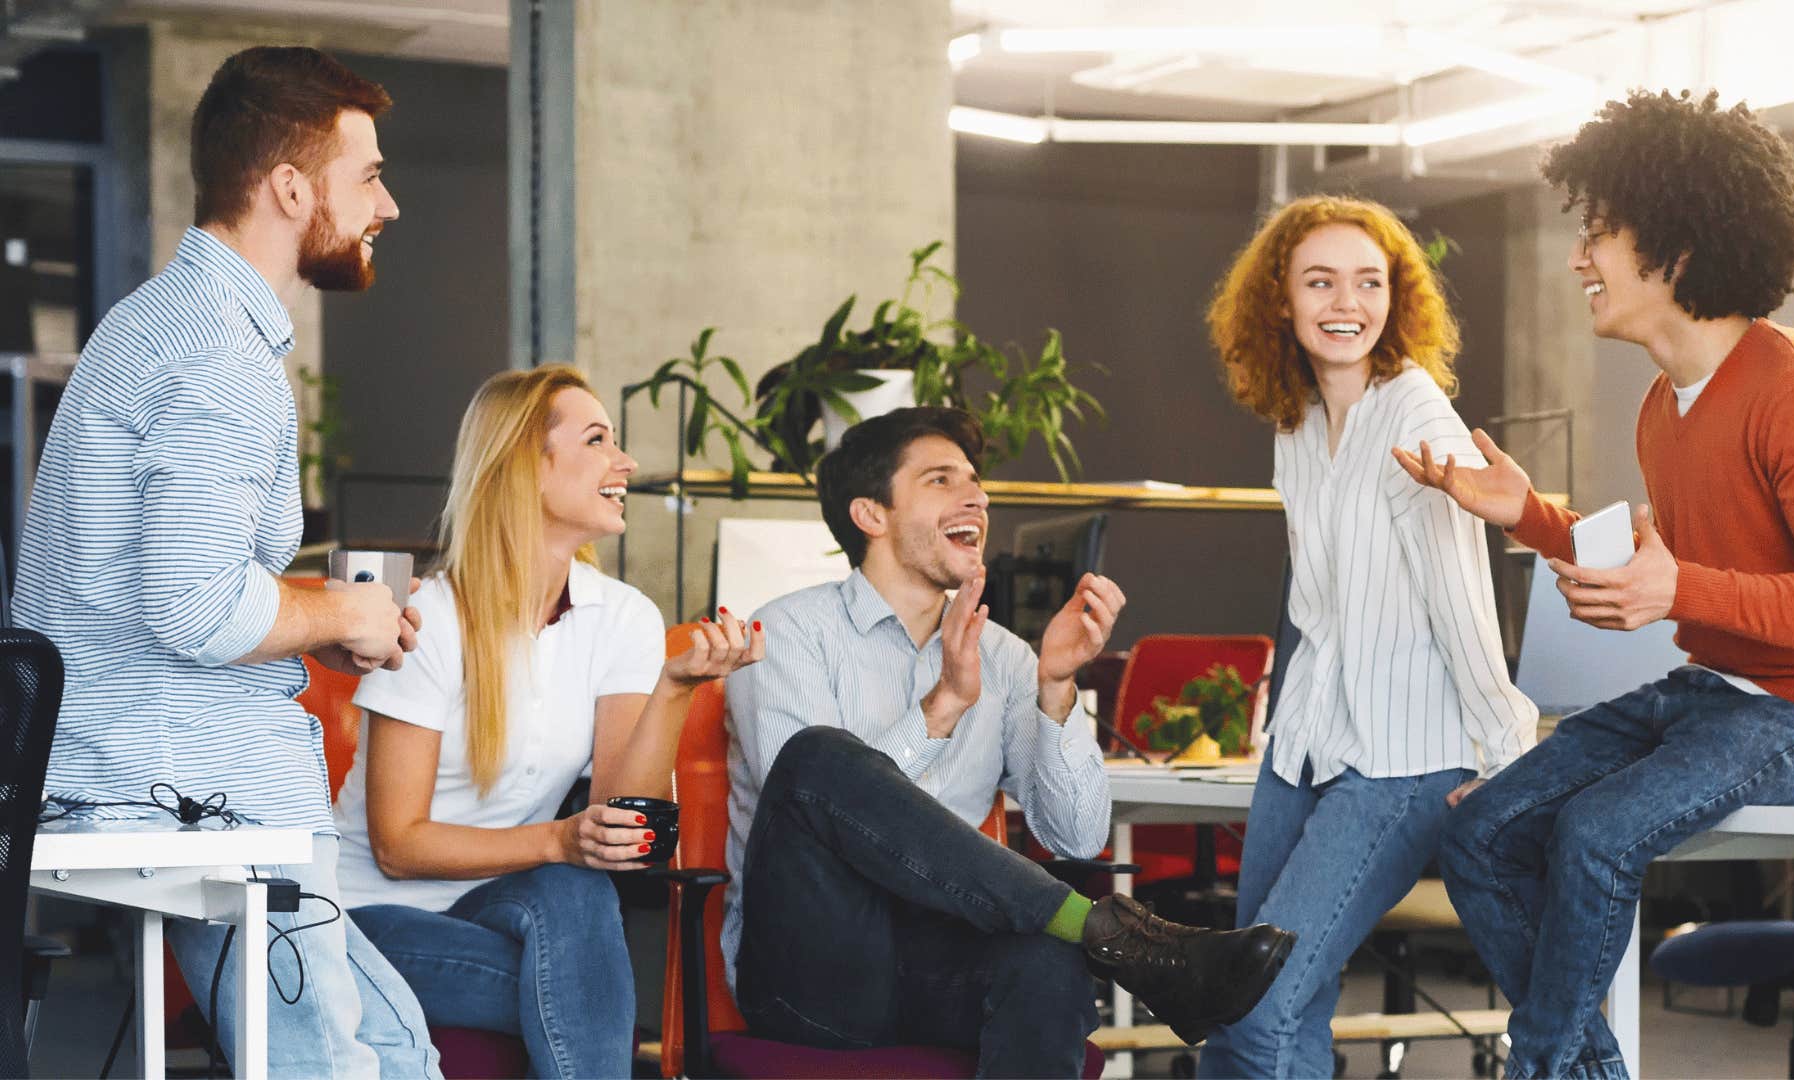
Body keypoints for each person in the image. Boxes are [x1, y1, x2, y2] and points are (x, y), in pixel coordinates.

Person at [1395, 89, 1794, 1080]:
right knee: (1483, 834)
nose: (1580, 258)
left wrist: (1684, 595)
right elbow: (1662, 564)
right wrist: (1528, 515)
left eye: (1601, 233)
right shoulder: (1664, 407)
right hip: (1715, 697)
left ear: (1676, 247)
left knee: (1592, 833)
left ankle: (1539, 1066)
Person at [12, 46, 439, 1075]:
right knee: (337, 1067)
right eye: (369, 175)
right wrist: (341, 616)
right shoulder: (216, 355)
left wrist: (322, 613)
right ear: (292, 187)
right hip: (190, 788)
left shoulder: (163, 324)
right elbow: (197, 605)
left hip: (157, 770)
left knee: (396, 1046)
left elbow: (172, 582)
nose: (390, 205)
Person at [724, 406, 1295, 1077]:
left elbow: (1078, 836)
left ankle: (1109, 937)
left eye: (976, 481)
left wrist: (1056, 685)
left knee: (1048, 964)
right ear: (870, 515)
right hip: (815, 973)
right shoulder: (784, 633)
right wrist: (943, 707)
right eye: (941, 480)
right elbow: (811, 799)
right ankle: (1122, 938)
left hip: (938, 963)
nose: (978, 496)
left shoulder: (1006, 656)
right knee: (817, 757)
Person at [332, 365, 763, 1078]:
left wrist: (676, 688)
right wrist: (561, 840)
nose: (625, 463)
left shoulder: (623, 617)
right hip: (369, 919)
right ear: (524, 467)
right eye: (597, 440)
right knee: (584, 989)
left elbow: (624, 829)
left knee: (578, 890)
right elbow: (398, 847)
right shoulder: (430, 618)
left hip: (501, 904)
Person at [1193, 195, 1537, 1078]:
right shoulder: (1299, 422)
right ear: (1282, 300)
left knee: (1258, 1008)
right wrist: (1281, 722)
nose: (1345, 303)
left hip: (1403, 756)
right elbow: (1318, 609)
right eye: (1320, 281)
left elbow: (1465, 601)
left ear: (1396, 298)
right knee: (1264, 1002)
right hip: (1306, 743)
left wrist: (1505, 751)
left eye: (1368, 282)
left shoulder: (1416, 418)